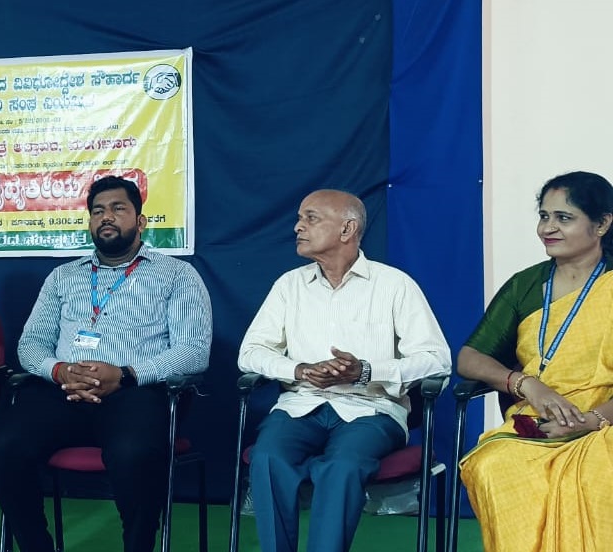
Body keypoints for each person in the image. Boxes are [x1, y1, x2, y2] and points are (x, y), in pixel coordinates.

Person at [0, 175, 212, 552]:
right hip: (64, 391)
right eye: (97, 211)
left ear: (141, 221)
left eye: (118, 208)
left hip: (135, 392)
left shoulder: (176, 275)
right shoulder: (63, 277)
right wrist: (59, 370)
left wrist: (125, 375)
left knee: (134, 454)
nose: (106, 217)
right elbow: (31, 344)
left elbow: (193, 351)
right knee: (4, 448)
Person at [237, 189, 451, 552]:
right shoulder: (289, 286)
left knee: (342, 466)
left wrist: (365, 371)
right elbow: (250, 353)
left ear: (347, 229)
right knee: (268, 457)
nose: (298, 227)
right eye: (300, 218)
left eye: (310, 218)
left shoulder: (394, 285)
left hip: (371, 410)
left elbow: (437, 359)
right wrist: (300, 369)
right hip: (300, 406)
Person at [458, 171, 613, 551]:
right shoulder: (524, 286)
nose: (548, 228)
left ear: (602, 224)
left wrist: (591, 420)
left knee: (600, 473)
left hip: (605, 422)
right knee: (493, 465)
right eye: (544, 216)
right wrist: (525, 384)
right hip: (538, 421)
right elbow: (469, 357)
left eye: (564, 218)